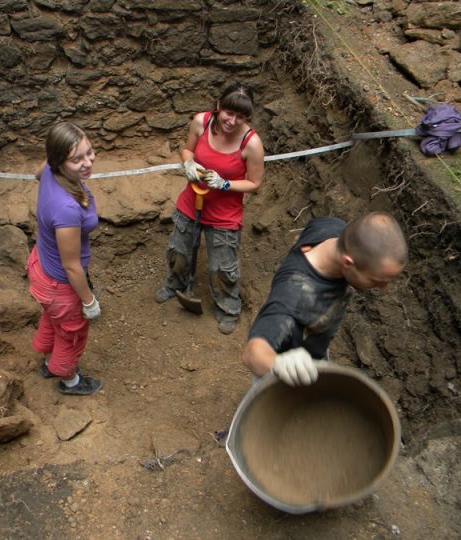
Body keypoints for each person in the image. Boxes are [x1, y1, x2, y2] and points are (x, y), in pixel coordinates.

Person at [242, 212, 408, 386]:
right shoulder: (294, 296)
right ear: (348, 262)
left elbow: (306, 231)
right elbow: (253, 355)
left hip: (312, 347)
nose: (384, 288)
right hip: (285, 373)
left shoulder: (332, 228)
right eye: (377, 281)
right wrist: (277, 365)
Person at [156, 83, 266, 334]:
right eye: (229, 113)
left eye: (240, 117)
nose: (232, 120)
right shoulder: (200, 122)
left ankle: (228, 307)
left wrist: (225, 183)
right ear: (218, 106)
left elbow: (255, 182)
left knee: (222, 268)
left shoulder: (251, 143)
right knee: (179, 251)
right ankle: (175, 285)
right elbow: (186, 149)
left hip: (224, 215)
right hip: (191, 202)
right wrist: (189, 163)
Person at [26, 121, 102, 396]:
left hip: (41, 268)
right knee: (71, 332)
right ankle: (69, 379)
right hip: (60, 283)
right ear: (60, 161)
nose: (87, 162)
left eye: (89, 152)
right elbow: (71, 266)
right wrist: (88, 301)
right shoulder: (67, 209)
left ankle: (48, 361)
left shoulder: (48, 170)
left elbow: (38, 173)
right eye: (77, 159)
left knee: (52, 319)